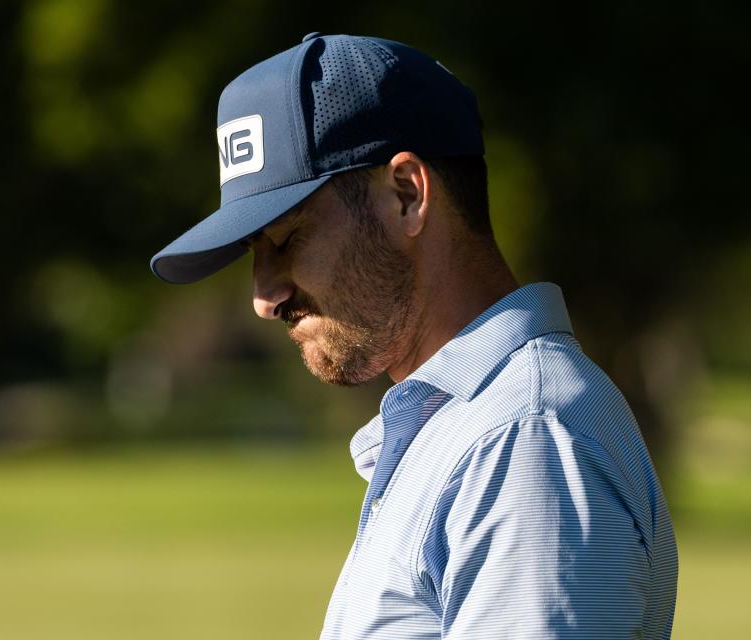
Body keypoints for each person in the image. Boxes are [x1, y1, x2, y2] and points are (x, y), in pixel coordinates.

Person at [151, 33, 677, 639]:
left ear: (407, 195)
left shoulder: (523, 441)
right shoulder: (470, 428)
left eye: (286, 239)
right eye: (252, 252)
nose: (264, 298)